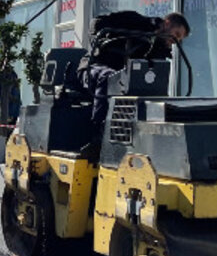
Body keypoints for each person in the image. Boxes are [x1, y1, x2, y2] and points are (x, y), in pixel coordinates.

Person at [80, 11, 189, 157]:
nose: (175, 41)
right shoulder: (135, 21)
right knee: (109, 78)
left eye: (179, 39)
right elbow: (96, 23)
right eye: (176, 34)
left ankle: (148, 142)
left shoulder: (160, 49)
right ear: (167, 23)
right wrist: (100, 42)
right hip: (96, 67)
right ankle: (98, 136)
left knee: (153, 91)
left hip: (124, 79)